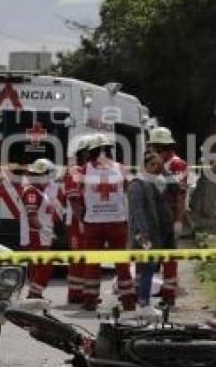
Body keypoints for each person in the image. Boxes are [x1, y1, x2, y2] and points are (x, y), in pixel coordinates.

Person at [77, 134, 137, 311]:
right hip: (117, 221)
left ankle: (90, 301)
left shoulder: (84, 170)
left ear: (91, 151)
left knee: (92, 264)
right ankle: (128, 302)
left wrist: (82, 218)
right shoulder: (121, 168)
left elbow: (79, 193)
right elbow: (128, 189)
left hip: (93, 222)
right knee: (121, 263)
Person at [128, 152, 173, 321]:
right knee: (146, 268)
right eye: (153, 164)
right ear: (145, 165)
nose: (156, 168)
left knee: (150, 269)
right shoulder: (137, 185)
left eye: (159, 165)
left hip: (155, 234)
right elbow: (137, 211)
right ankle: (143, 304)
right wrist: (144, 234)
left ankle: (144, 302)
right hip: (144, 235)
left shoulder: (154, 182)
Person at [147, 126, 186, 306]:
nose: (150, 150)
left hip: (168, 216)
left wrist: (178, 220)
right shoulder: (152, 162)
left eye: (153, 147)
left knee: (168, 259)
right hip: (153, 217)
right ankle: (149, 292)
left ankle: (169, 295)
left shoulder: (177, 164)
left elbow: (179, 194)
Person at [21, 158, 58, 299]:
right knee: (45, 266)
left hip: (43, 236)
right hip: (37, 236)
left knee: (38, 266)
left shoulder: (41, 191)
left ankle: (34, 293)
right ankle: (34, 293)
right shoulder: (32, 192)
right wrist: (44, 229)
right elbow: (32, 217)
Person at [64, 135, 92, 304]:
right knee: (78, 258)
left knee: (85, 258)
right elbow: (74, 200)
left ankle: (82, 292)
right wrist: (81, 221)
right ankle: (75, 294)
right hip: (77, 221)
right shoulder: (76, 172)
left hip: (84, 219)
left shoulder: (87, 171)